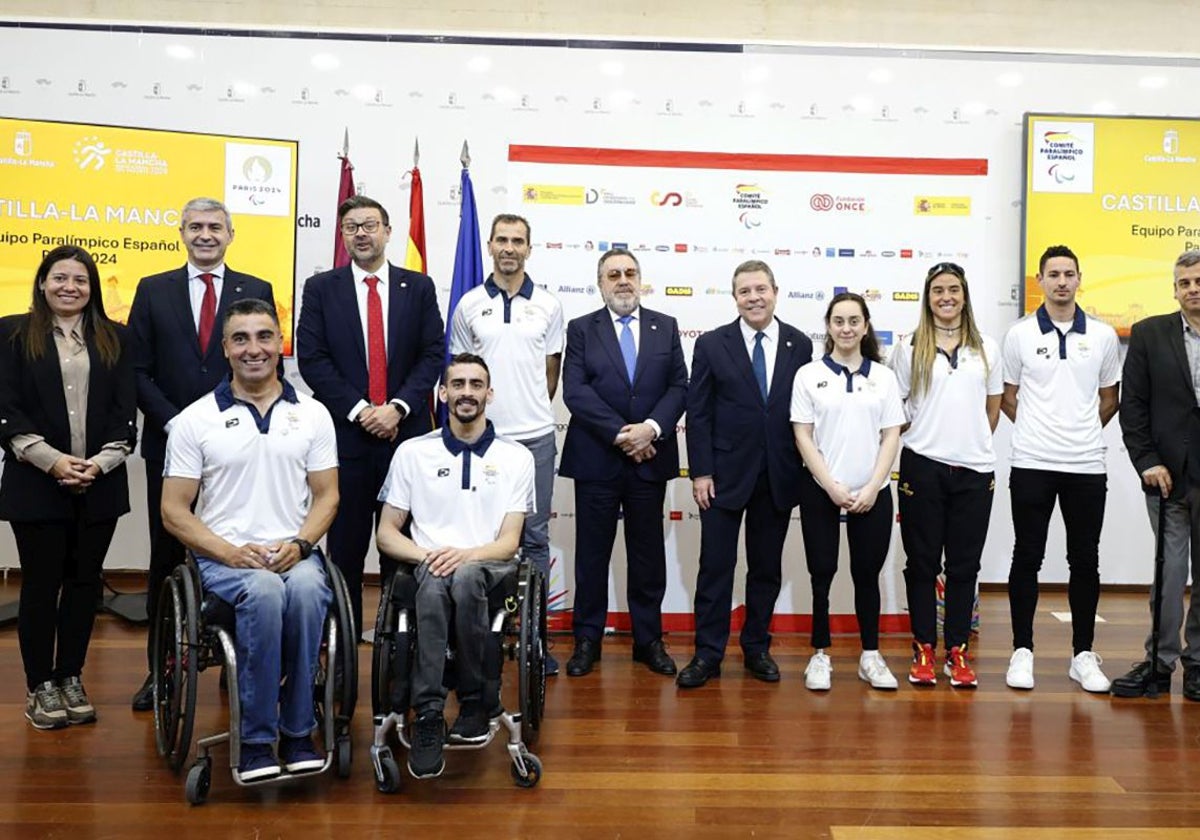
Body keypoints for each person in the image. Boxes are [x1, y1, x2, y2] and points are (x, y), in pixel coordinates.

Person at [160, 298, 339, 781]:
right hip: (225, 558)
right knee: (262, 591)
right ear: (225, 348)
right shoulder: (195, 420)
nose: (253, 349)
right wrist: (229, 552)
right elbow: (174, 508)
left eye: (264, 337)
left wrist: (301, 545)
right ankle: (258, 740)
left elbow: (327, 496)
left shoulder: (314, 415)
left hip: (294, 551)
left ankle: (299, 732)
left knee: (302, 591)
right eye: (240, 338)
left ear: (279, 345)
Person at [128, 196, 275, 711]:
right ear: (182, 232)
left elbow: (260, 367)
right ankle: (161, 670)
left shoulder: (255, 290)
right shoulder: (153, 290)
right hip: (170, 444)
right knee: (166, 557)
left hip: (239, 448)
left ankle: (231, 664)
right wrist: (180, 424)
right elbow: (137, 371)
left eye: (215, 226)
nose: (205, 234)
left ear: (230, 233)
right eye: (196, 226)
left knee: (235, 547)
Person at [376, 353, 534, 779]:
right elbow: (387, 534)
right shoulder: (413, 452)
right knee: (436, 580)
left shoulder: (517, 457)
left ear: (489, 393)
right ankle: (429, 713)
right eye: (458, 384)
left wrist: (464, 556)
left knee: (462, 577)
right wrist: (430, 555)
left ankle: (473, 701)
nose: (467, 392)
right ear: (443, 393)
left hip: (489, 567)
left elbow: (509, 542)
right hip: (428, 564)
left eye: (476, 384)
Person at [0, 246, 137, 729]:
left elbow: (125, 413)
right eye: (60, 278)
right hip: (35, 485)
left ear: (92, 288)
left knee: (83, 587)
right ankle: (40, 686)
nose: (69, 287)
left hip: (98, 485)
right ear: (42, 283)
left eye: (80, 280)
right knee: (40, 587)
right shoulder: (11, 333)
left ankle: (69, 677)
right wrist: (53, 461)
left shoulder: (115, 338)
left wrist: (95, 465)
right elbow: (6, 408)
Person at [296, 195, 444, 636]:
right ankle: (340, 645)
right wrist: (363, 411)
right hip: (348, 438)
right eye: (352, 227)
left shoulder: (418, 286)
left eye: (370, 225)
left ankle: (398, 643)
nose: (361, 233)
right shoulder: (321, 289)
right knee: (345, 546)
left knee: (404, 546)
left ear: (388, 232)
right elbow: (313, 360)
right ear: (343, 236)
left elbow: (432, 354)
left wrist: (397, 407)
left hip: (407, 438)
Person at [678, 260, 814, 688]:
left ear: (776, 291)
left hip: (777, 476)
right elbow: (698, 413)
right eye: (744, 291)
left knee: (765, 569)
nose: (754, 297)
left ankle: (757, 647)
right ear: (734, 297)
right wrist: (700, 472)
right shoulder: (712, 344)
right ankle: (708, 653)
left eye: (761, 289)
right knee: (715, 567)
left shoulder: (799, 345)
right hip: (722, 477)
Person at [559, 249, 688, 677]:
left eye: (630, 273)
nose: (623, 280)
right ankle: (587, 639)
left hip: (649, 460)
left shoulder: (665, 327)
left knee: (648, 555)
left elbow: (679, 386)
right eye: (613, 274)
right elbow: (574, 391)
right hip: (598, 457)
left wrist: (650, 428)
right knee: (592, 555)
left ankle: (648, 640)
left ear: (640, 279)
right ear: (600, 283)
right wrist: (623, 434)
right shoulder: (581, 329)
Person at [1001, 244, 1120, 693]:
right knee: (1026, 556)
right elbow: (1008, 396)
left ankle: (1082, 655)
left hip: (1087, 465)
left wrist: (1079, 431)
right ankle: (1022, 651)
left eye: (1069, 273)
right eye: (1053, 274)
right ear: (1040, 281)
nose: (1062, 281)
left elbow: (1110, 399)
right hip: (1031, 461)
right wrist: (1039, 430)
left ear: (1079, 278)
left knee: (1084, 560)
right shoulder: (1019, 334)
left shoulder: (1104, 336)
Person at [449, 213, 564, 673]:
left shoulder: (550, 306)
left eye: (519, 240)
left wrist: (529, 408)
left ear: (529, 249)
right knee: (476, 537)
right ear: (491, 246)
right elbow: (461, 369)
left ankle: (534, 641)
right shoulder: (469, 303)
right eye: (502, 240)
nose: (509, 248)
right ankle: (471, 642)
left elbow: (550, 371)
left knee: (534, 540)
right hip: (479, 440)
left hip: (534, 438)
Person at [888, 264, 1002, 688]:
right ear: (928, 297)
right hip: (922, 466)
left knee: (963, 565)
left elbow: (992, 409)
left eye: (953, 289)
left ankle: (957, 650)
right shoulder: (910, 347)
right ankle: (922, 648)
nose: (946, 297)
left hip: (975, 470)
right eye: (938, 291)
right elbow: (896, 410)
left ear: (964, 295)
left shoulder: (987, 347)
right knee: (920, 563)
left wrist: (967, 443)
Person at [792, 292, 904, 692]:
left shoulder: (884, 377)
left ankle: (870, 655)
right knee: (821, 573)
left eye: (854, 320)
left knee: (866, 575)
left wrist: (873, 486)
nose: (846, 328)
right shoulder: (808, 375)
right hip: (821, 488)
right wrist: (831, 485)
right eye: (838, 321)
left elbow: (891, 435)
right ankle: (820, 653)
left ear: (866, 326)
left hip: (872, 491)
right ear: (828, 326)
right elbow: (802, 435)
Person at [1114, 249, 1200, 701]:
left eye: (1198, 281)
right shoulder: (1150, 334)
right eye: (1184, 282)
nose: (1192, 289)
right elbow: (1134, 408)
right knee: (1169, 577)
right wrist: (1147, 461)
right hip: (1167, 477)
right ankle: (1158, 664)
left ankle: (1199, 665)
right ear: (1174, 289)